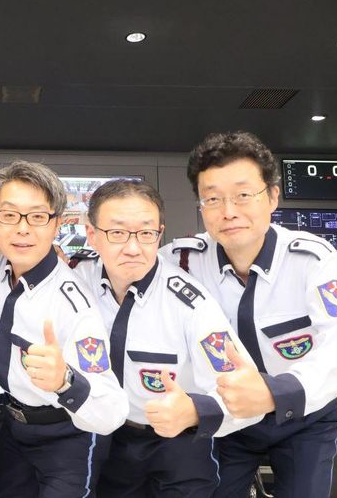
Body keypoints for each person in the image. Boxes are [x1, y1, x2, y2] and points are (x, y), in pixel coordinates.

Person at [163, 131, 337, 497]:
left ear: (273, 196)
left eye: (243, 195)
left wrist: (276, 392)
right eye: (212, 198)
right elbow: (123, 268)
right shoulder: (181, 261)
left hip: (304, 415)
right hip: (226, 417)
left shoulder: (312, 259)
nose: (228, 211)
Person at [69, 179, 261, 498]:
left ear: (159, 234)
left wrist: (195, 411)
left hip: (180, 444)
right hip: (107, 441)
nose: (133, 248)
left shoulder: (191, 304)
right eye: (117, 233)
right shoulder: (76, 280)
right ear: (92, 234)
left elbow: (247, 396)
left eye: (146, 233)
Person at [0, 161, 127, 497]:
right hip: (14, 428)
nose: (22, 229)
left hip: (69, 436)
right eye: (10, 215)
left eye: (37, 216)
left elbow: (112, 411)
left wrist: (66, 380)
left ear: (57, 223)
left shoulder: (74, 304)